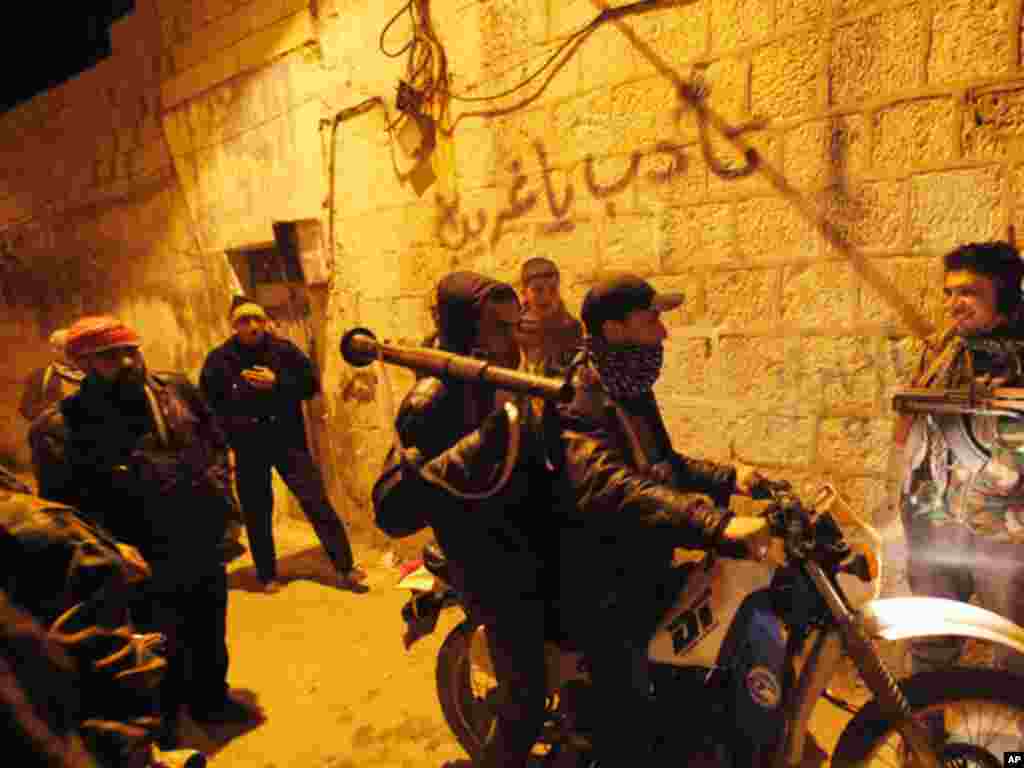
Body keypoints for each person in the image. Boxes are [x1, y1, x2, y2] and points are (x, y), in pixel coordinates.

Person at [556, 273, 770, 767]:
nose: (664, 333)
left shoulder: (627, 383)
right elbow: (606, 484)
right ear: (613, 330)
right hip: (597, 573)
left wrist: (733, 478)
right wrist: (712, 523)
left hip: (640, 551)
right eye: (651, 320)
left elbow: (663, 463)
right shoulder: (581, 393)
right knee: (631, 716)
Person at [28, 315, 262, 748]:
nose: (128, 362)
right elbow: (63, 508)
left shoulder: (174, 390)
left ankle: (212, 699)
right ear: (81, 364)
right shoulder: (61, 427)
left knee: (209, 623)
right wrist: (112, 549)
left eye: (131, 349)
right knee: (159, 638)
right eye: (109, 357)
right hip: (138, 550)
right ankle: (169, 722)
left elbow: (214, 445)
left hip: (198, 534)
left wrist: (225, 509)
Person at [374, 272, 556, 768]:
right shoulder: (431, 400)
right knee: (525, 699)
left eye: (513, 324)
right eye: (499, 327)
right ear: (467, 329)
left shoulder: (504, 376)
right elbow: (392, 507)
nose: (511, 338)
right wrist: (482, 442)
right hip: (485, 558)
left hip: (527, 535)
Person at [895, 241, 1024, 681]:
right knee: (930, 644)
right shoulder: (940, 351)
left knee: (1013, 652)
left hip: (1006, 531)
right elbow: (906, 433)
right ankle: (923, 747)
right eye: (949, 293)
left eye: (968, 293)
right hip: (938, 519)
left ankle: (1015, 753)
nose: (953, 305)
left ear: (1004, 297)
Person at [200, 296, 367, 594]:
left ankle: (345, 567)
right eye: (244, 321)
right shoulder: (218, 360)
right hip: (248, 447)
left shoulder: (284, 351)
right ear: (233, 325)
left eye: (257, 319)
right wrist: (224, 446)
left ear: (265, 322)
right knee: (256, 510)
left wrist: (277, 383)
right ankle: (267, 575)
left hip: (288, 443)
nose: (252, 326)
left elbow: (311, 385)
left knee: (316, 503)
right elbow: (208, 406)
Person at [516, 257, 583, 375]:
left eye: (553, 290)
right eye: (538, 290)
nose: (546, 298)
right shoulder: (514, 327)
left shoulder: (571, 329)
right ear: (524, 293)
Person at [19, 328, 85, 423]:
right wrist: (51, 414)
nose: (72, 353)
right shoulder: (40, 376)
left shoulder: (93, 375)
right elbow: (27, 408)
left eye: (75, 348)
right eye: (65, 349)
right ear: (55, 350)